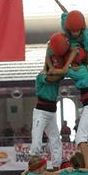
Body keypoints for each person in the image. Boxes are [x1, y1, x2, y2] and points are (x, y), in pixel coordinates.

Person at [30, 36, 72, 168]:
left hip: (52, 112)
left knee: (55, 140)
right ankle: (32, 164)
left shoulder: (57, 75)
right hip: (41, 112)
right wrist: (63, 66)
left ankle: (56, 165)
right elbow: (51, 77)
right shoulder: (42, 75)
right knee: (37, 139)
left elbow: (57, 73)